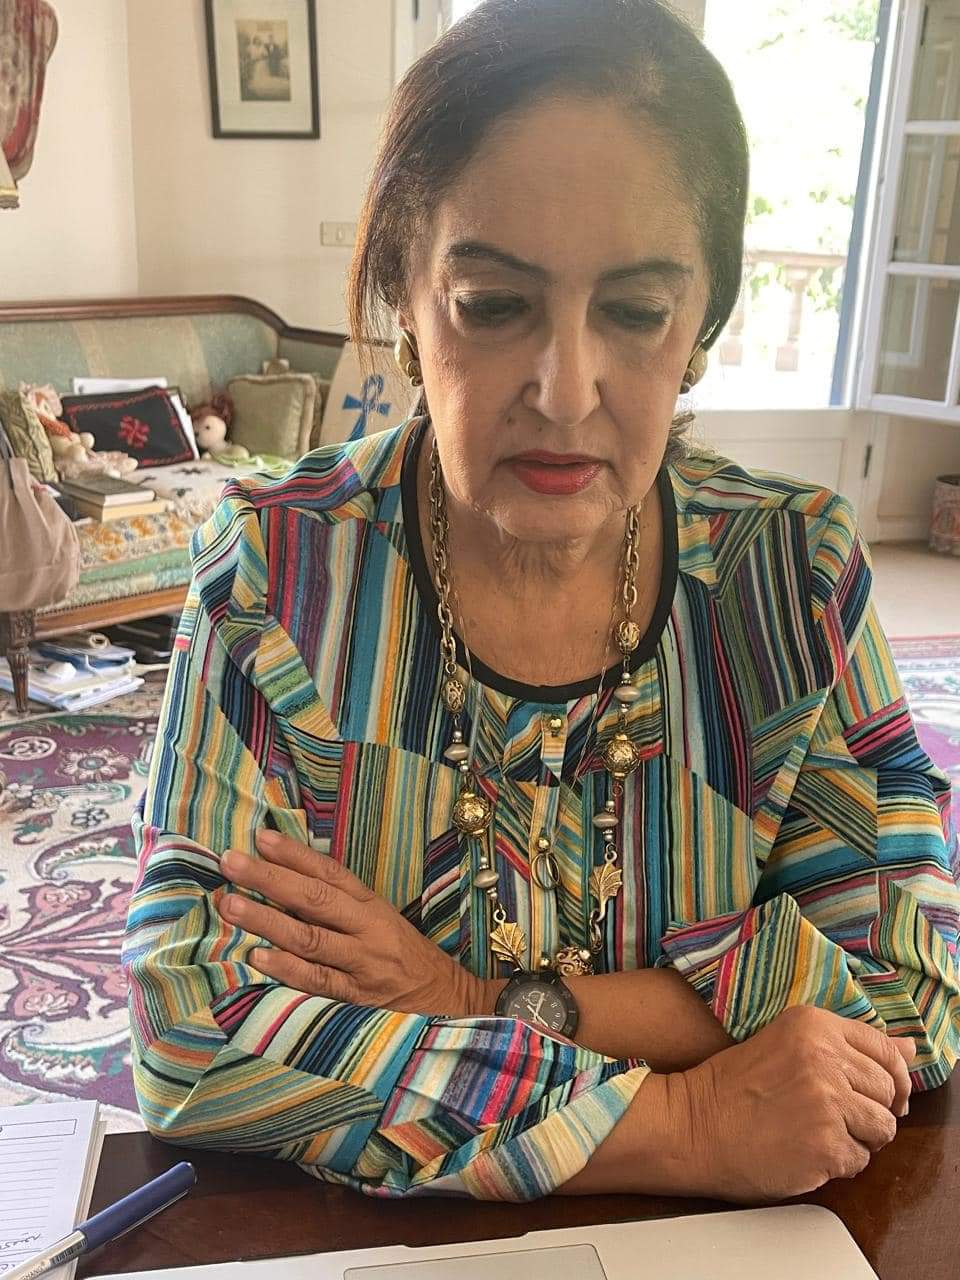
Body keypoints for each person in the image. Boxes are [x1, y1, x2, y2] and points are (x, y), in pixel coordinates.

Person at [124, 0, 960, 1202]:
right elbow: (193, 1027)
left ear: (706, 316)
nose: (567, 392)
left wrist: (477, 1000)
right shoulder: (275, 574)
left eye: (636, 311)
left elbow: (905, 993)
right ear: (404, 294)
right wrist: (687, 1117)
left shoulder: (793, 576)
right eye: (494, 303)